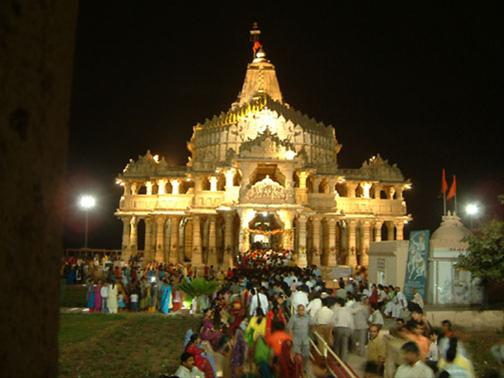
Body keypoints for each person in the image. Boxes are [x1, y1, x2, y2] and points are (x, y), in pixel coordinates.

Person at [287, 304, 311, 369]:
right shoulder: (293, 317)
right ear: (297, 311)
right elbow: (289, 328)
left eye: (302, 310)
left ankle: (304, 368)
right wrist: (291, 338)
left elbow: (311, 326)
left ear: (304, 310)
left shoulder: (308, 317)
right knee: (297, 357)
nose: (301, 311)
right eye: (299, 310)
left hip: (305, 340)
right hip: (296, 340)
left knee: (306, 355)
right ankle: (297, 370)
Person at [332, 298, 354, 362]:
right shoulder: (348, 311)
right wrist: (351, 330)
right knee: (345, 345)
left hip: (338, 329)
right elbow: (350, 321)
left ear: (338, 304)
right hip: (347, 329)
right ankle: (343, 360)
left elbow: (333, 320)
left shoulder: (337, 310)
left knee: (337, 345)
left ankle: (336, 359)